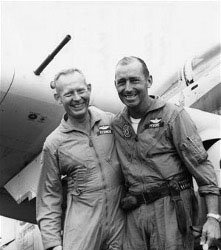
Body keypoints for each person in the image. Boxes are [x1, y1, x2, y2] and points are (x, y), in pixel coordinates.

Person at [112, 56, 220, 250]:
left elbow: (201, 165)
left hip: (171, 210)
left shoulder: (173, 116)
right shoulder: (117, 125)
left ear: (149, 81)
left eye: (134, 80)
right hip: (135, 215)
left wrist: (213, 217)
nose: (128, 88)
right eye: (121, 82)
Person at [36, 68, 124, 250]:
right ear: (58, 98)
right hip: (83, 229)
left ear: (89, 89)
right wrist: (53, 245)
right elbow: (48, 197)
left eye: (81, 91)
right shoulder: (54, 144)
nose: (77, 98)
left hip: (119, 224)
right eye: (68, 94)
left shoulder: (109, 121)